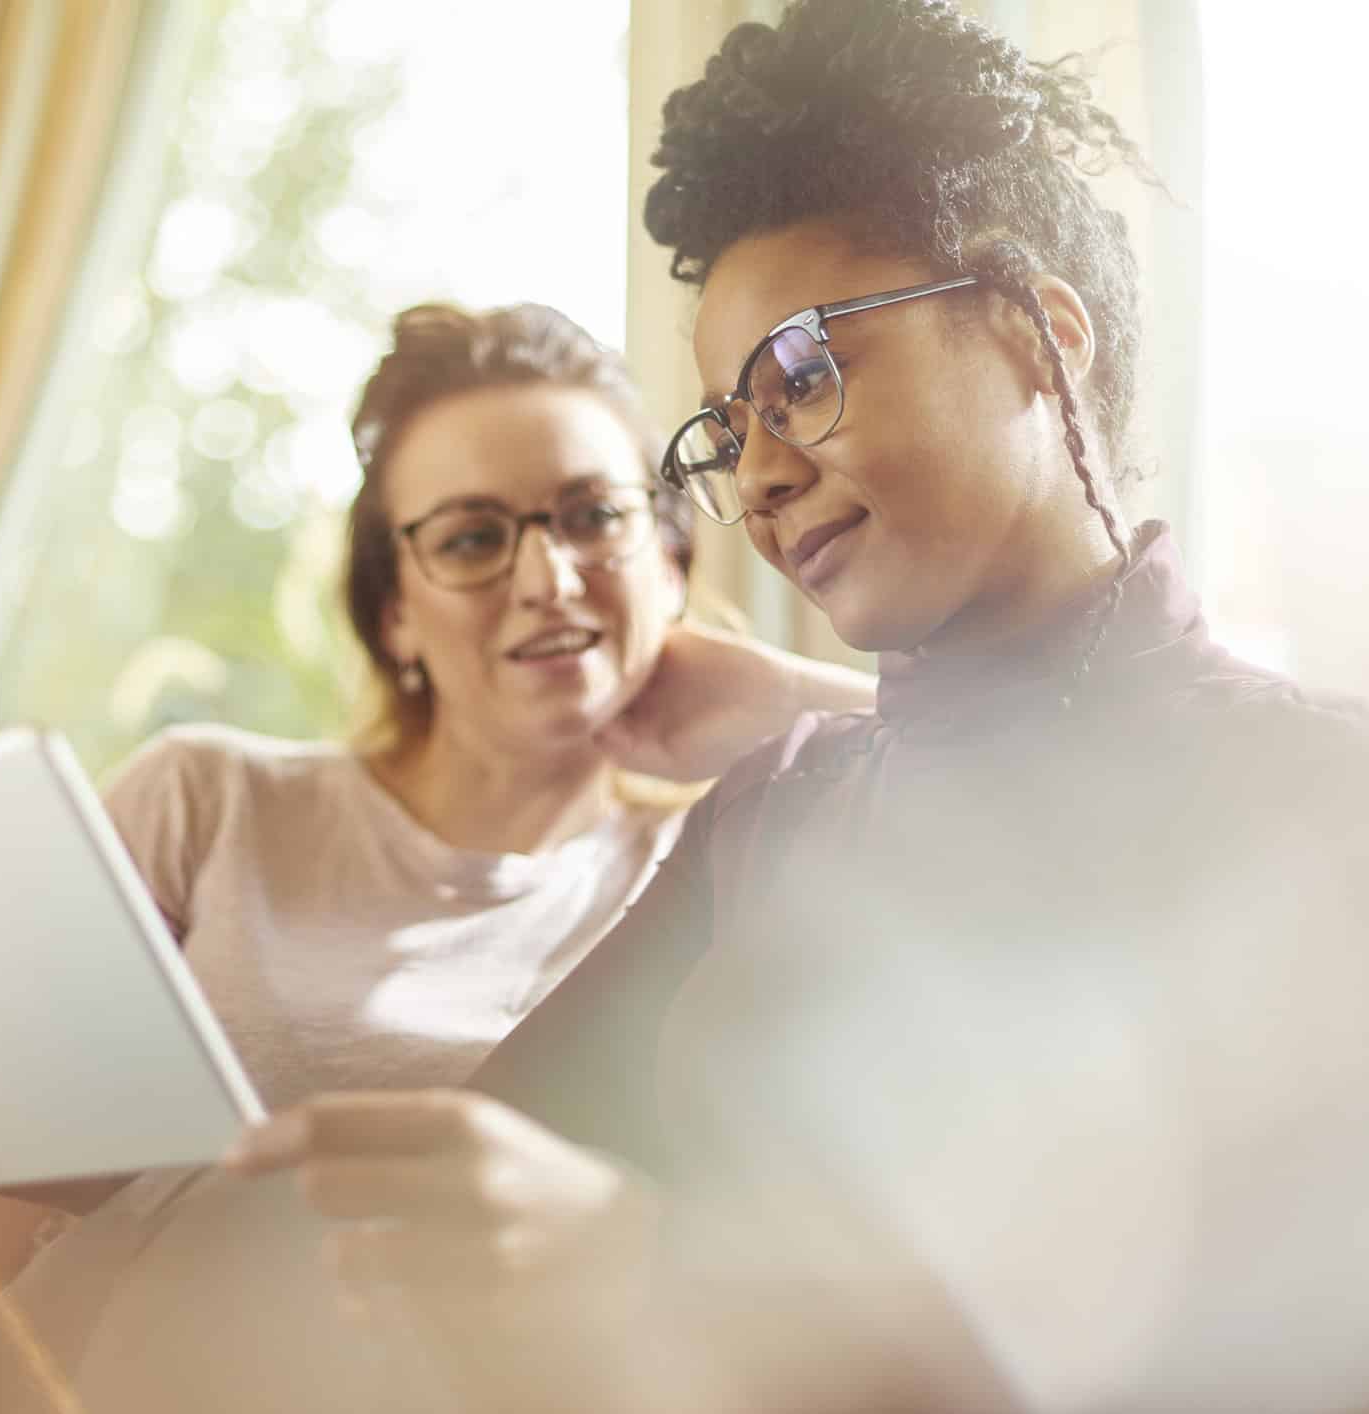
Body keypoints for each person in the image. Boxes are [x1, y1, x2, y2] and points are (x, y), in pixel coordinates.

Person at [209, 3, 1369, 1411]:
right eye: (719, 426)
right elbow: (450, 1197)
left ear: (1034, 335)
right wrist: (22, 1147)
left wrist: (658, 1275)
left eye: (798, 379)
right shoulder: (777, 806)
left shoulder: (1321, 806)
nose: (752, 476)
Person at [0, 302, 875, 1411]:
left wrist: (797, 702)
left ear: (671, 561)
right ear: (396, 615)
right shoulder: (208, 800)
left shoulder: (723, 860)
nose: (545, 576)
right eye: (472, 536)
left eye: (592, 515)